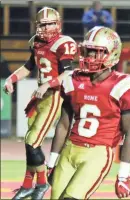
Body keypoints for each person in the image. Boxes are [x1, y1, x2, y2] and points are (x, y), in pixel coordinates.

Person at [47, 26, 130, 199]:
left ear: (112, 54)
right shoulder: (72, 80)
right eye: (87, 51)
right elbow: (63, 124)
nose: (89, 57)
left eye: (96, 52)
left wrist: (123, 175)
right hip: (69, 150)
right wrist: (52, 162)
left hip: (98, 152)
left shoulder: (123, 85)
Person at [4, 7, 77, 200]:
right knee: (30, 140)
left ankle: (42, 184)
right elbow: (29, 66)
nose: (44, 28)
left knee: (32, 140)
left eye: (48, 24)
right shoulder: (36, 42)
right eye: (41, 24)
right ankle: (28, 185)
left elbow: (68, 73)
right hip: (40, 96)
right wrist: (11, 78)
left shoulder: (64, 43)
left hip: (54, 95)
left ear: (57, 24)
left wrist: (47, 85)